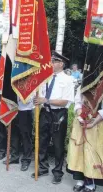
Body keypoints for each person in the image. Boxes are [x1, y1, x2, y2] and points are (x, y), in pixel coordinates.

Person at [32, 51, 75, 184]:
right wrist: (37, 100)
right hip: (45, 112)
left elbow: (65, 101)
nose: (50, 63)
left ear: (61, 64)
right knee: (42, 141)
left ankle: (57, 172)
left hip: (59, 114)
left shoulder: (68, 79)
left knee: (58, 144)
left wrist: (46, 100)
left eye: (53, 61)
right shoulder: (46, 77)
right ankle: (43, 167)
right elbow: (40, 95)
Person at [67, 88, 103, 192]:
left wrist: (93, 123)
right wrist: (80, 115)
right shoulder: (83, 84)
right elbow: (77, 102)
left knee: (92, 153)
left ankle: (91, 183)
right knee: (78, 151)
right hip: (81, 122)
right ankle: (80, 179)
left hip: (96, 124)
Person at [4, 96, 34, 171]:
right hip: (13, 107)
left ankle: (26, 159)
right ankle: (14, 156)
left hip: (26, 108)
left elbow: (31, 95)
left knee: (26, 135)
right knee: (14, 133)